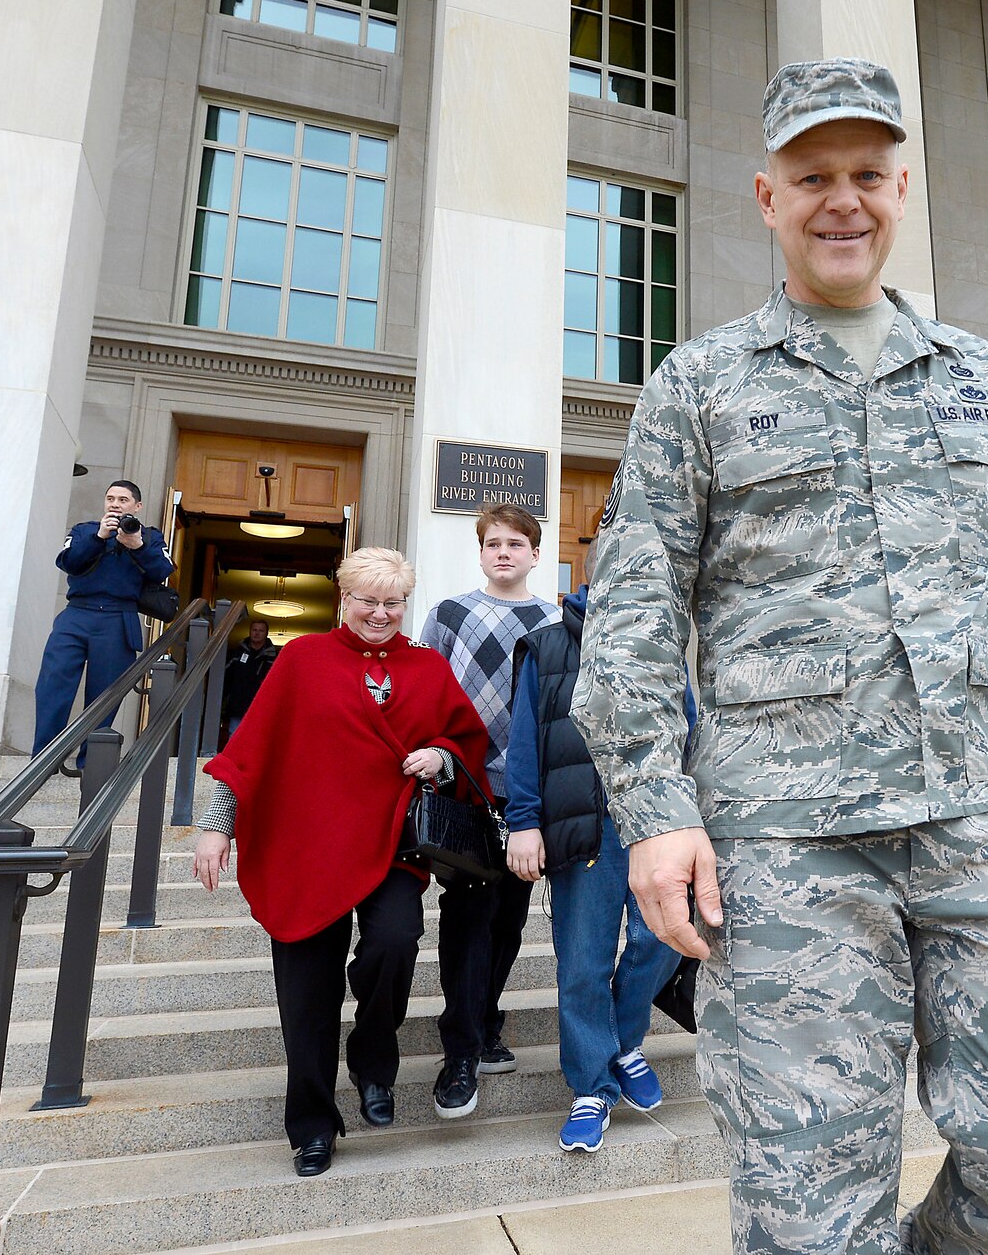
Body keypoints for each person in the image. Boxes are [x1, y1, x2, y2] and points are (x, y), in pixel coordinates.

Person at [570, 58, 988, 1255]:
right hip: (782, 838)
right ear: (765, 196)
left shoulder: (979, 376)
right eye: (813, 176)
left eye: (866, 176)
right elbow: (630, 603)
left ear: (900, 189)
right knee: (807, 1205)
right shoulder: (702, 382)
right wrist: (652, 807)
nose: (843, 201)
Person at [190, 547, 491, 1178]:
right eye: (368, 601)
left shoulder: (429, 667)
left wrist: (438, 755)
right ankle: (312, 1126)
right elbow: (248, 751)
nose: (380, 614)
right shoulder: (302, 660)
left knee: (395, 940)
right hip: (305, 848)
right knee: (307, 992)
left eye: (393, 602)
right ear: (342, 599)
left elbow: (465, 739)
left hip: (391, 846)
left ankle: (373, 1060)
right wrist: (216, 831)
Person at [502, 584, 686, 1153]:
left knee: (664, 939)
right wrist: (523, 821)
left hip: (654, 821)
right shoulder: (545, 648)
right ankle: (592, 1087)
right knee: (582, 963)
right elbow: (526, 744)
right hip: (582, 827)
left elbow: (690, 734)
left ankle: (622, 1042)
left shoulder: (660, 642)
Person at [417, 503, 561, 1119]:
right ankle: (464, 1044)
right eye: (493, 543)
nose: (504, 552)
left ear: (534, 552)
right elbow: (426, 691)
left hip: (528, 792)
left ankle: (487, 1015)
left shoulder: (556, 622)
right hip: (466, 783)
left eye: (516, 543)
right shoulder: (450, 614)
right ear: (480, 552)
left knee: (510, 917)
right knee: (470, 913)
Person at [32, 480, 174, 776]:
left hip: (117, 617)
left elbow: (163, 570)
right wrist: (99, 536)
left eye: (123, 499)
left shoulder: (149, 537)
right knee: (53, 684)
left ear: (137, 506)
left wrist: (138, 546)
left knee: (105, 694)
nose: (115, 504)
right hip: (77, 614)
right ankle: (43, 759)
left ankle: (90, 763)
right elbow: (69, 562)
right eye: (110, 498)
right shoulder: (84, 530)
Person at [222, 619, 279, 740]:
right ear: (250, 631)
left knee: (256, 739)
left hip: (261, 708)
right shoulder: (237, 653)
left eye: (261, 631)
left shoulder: (274, 657)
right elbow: (226, 677)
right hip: (238, 705)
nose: (257, 633)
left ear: (266, 633)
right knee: (234, 738)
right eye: (254, 630)